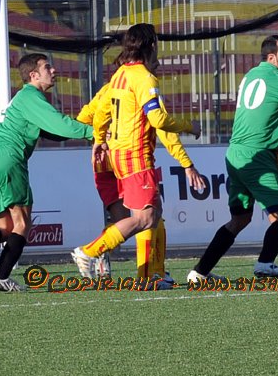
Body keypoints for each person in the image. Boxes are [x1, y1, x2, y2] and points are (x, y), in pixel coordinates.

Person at [187, 35, 278, 283]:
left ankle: (199, 272)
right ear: (271, 57)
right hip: (258, 156)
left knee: (240, 219)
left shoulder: (252, 75)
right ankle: (265, 265)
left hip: (235, 153)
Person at [71, 23, 203, 290]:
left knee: (152, 214)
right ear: (151, 45)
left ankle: (152, 275)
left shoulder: (119, 75)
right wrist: (189, 126)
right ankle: (90, 251)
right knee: (144, 218)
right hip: (135, 156)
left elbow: (99, 112)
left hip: (115, 156)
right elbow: (159, 120)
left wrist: (99, 139)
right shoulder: (144, 78)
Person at [0, 53, 93, 291]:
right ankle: (1, 278)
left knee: (6, 228)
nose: (53, 71)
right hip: (8, 158)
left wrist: (83, 132)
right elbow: (60, 123)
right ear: (34, 75)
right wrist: (93, 132)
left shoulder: (22, 99)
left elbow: (51, 131)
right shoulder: (31, 96)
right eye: (47, 67)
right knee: (22, 223)